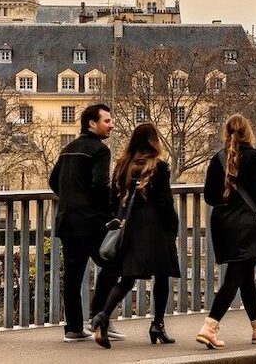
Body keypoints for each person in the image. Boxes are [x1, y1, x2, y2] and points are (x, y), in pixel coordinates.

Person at [196, 114, 256, 349]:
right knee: (235, 276)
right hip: (246, 224)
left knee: (245, 275)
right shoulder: (253, 157)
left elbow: (210, 197)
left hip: (222, 223)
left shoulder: (217, 159)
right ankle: (209, 327)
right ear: (249, 133)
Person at [90, 123, 181, 349]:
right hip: (154, 228)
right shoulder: (158, 167)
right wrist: (173, 227)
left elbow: (113, 199)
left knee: (127, 278)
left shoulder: (122, 166)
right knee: (161, 276)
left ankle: (103, 315)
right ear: (154, 142)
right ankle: (157, 325)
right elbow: (164, 202)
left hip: (129, 229)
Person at [49, 104, 122, 343]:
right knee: (113, 266)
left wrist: (70, 197)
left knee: (72, 275)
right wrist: (110, 211)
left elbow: (53, 180)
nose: (111, 125)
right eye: (107, 121)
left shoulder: (68, 148)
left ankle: (73, 328)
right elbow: (101, 184)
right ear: (92, 123)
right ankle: (100, 317)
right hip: (91, 222)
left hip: (67, 221)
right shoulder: (100, 150)